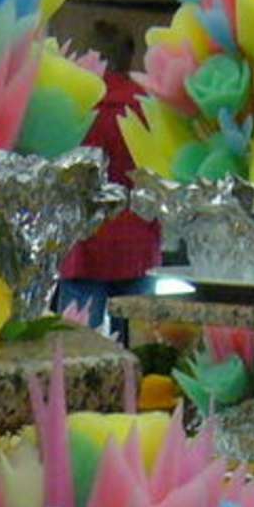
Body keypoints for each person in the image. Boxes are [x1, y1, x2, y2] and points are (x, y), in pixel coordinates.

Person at [56, 16, 160, 328]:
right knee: (138, 348)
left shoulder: (73, 102)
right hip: (137, 245)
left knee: (74, 348)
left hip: (83, 246)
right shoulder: (148, 104)